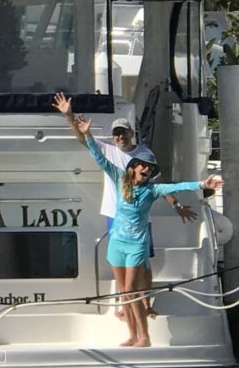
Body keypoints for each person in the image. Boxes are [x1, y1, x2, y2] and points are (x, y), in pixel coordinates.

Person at [58, 100, 224, 347]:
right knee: (125, 291)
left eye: (148, 167)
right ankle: (133, 334)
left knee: (132, 289)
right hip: (117, 240)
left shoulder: (151, 187)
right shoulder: (118, 178)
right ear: (132, 170)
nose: (145, 169)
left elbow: (176, 186)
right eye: (142, 167)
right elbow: (95, 155)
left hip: (136, 242)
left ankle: (144, 336)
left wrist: (202, 185)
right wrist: (82, 129)